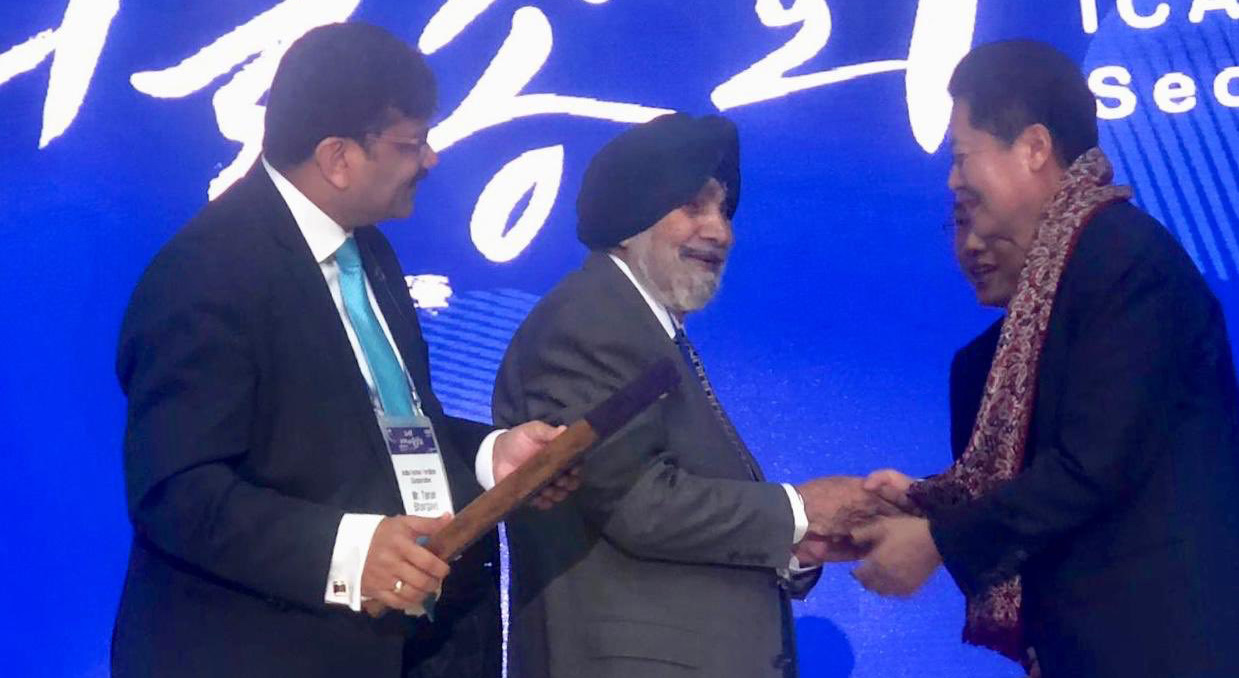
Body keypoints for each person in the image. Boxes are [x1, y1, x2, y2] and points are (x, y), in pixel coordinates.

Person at [112, 22, 569, 678]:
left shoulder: (368, 251)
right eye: (411, 143)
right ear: (337, 157)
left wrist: (493, 456)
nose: (430, 160)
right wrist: (347, 553)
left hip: (408, 646)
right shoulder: (205, 275)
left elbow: (389, 429)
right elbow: (176, 492)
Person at [856, 40, 1239, 678]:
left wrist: (939, 543)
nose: (953, 180)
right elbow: (1029, 479)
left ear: (1033, 148)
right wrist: (929, 503)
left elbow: (1092, 466)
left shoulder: (1124, 261)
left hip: (1165, 646)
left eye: (962, 156)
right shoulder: (1042, 308)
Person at [491, 113, 892, 678]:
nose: (721, 232)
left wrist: (796, 545)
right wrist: (798, 511)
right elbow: (635, 503)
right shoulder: (590, 320)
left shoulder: (644, 328)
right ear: (631, 216)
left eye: (724, 211)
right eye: (693, 207)